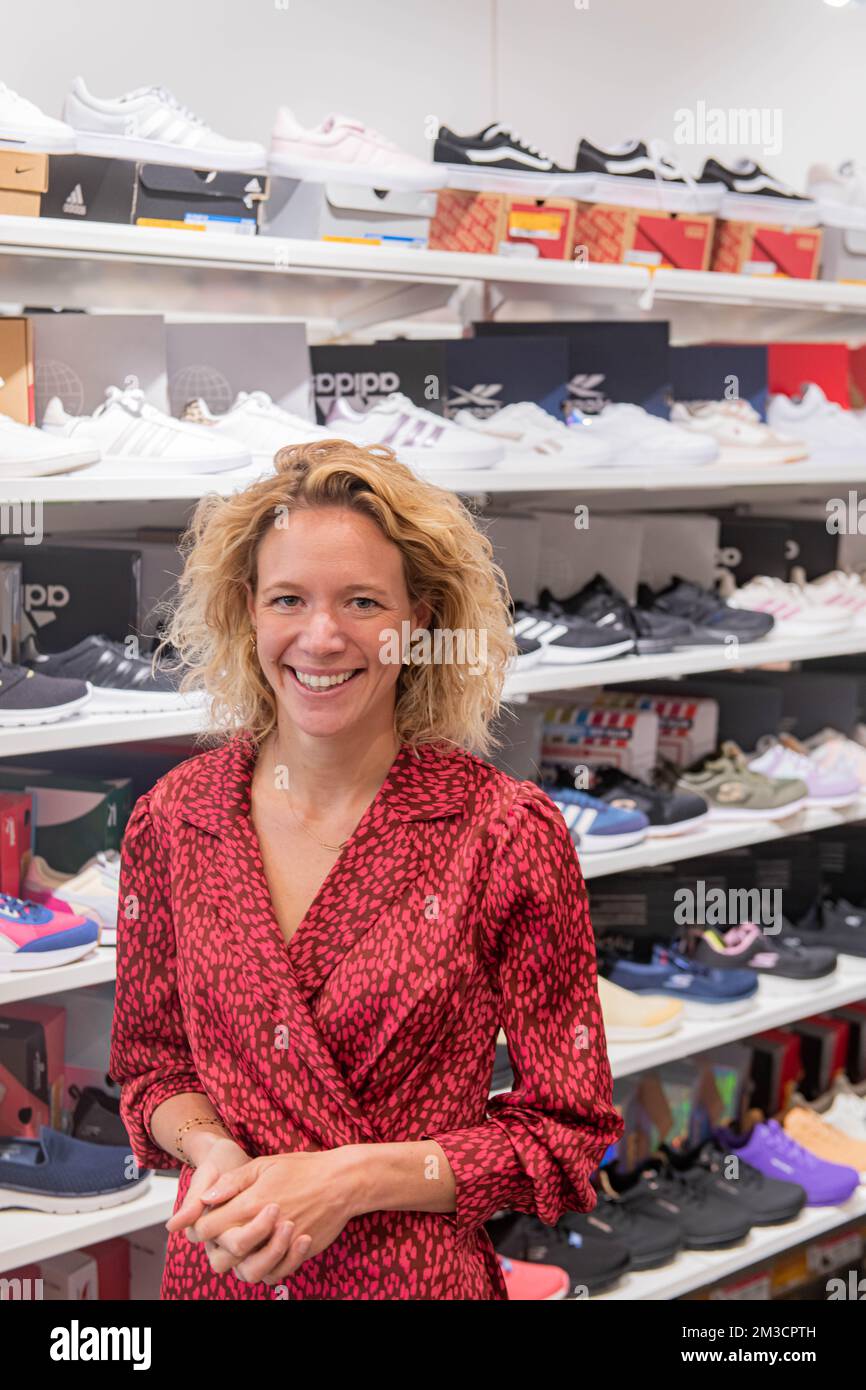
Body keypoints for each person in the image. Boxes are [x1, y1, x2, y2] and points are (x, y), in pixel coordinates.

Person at [109, 437, 623, 1301]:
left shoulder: (502, 832)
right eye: (288, 599)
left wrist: (348, 1180)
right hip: (224, 1273)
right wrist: (216, 1151)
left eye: (361, 601)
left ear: (418, 619)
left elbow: (568, 1133)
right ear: (248, 610)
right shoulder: (176, 818)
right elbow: (154, 1063)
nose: (321, 636)